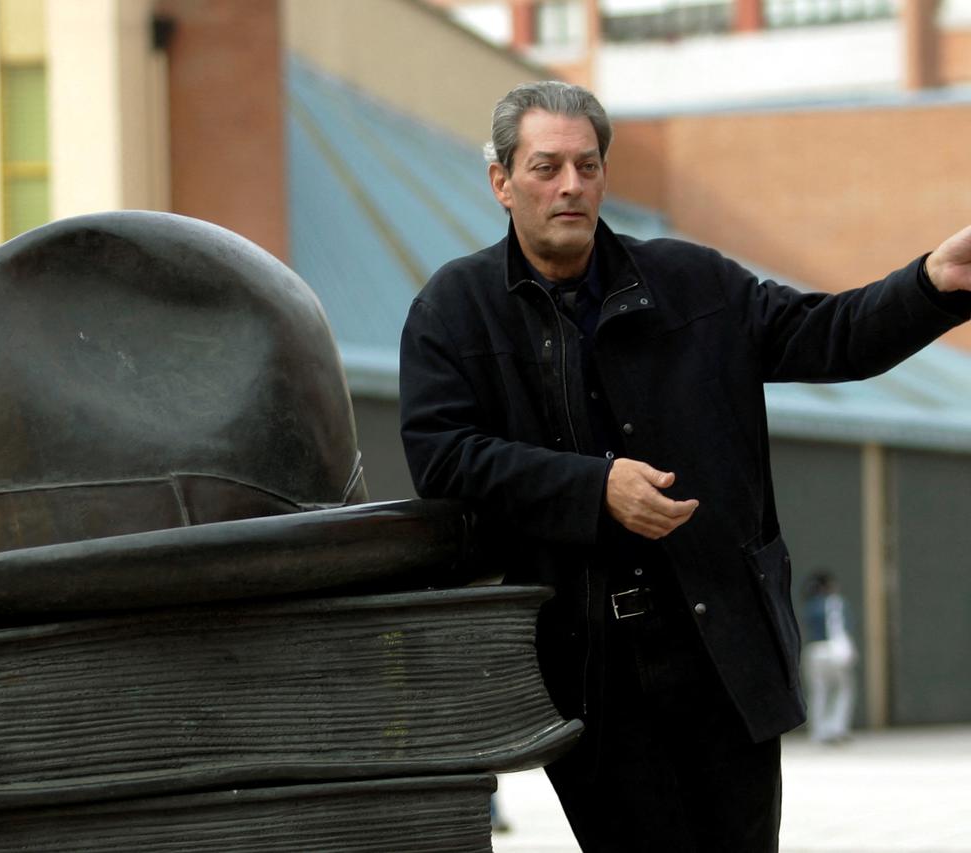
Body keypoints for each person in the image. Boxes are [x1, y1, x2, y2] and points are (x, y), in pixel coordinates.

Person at [398, 80, 971, 852]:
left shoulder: (694, 284)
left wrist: (932, 283)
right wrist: (594, 488)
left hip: (723, 650)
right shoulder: (453, 310)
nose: (570, 185)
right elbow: (442, 456)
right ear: (501, 181)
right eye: (545, 167)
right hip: (589, 670)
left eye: (587, 165)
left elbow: (828, 334)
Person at [802, 571, 857, 744]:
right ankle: (836, 728)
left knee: (818, 692)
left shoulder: (810, 605)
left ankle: (818, 732)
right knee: (843, 689)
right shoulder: (835, 602)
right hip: (834, 649)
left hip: (813, 650)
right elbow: (839, 627)